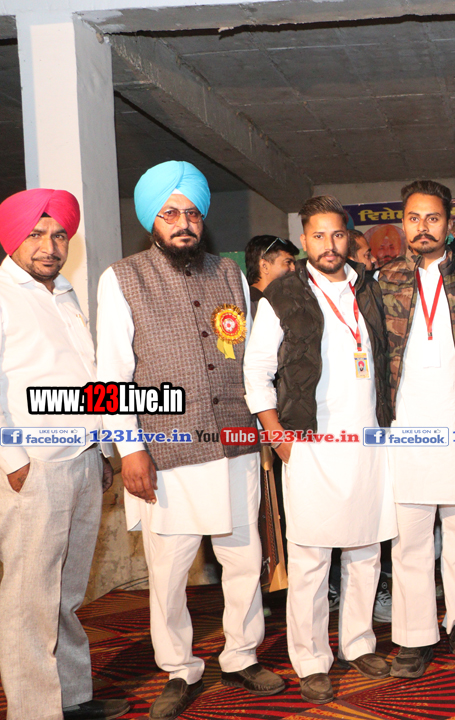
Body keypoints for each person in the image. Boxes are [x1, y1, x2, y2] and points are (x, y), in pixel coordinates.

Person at [97, 160, 284, 720]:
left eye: (192, 214)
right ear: (151, 220)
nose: (183, 223)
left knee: (244, 558)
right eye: (170, 213)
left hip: (235, 442)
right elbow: (110, 374)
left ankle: (241, 654)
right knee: (170, 571)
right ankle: (179, 668)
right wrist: (130, 449)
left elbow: (249, 359)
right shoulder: (122, 278)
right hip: (167, 451)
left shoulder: (229, 274)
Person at [243, 195, 396, 704]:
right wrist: (277, 435)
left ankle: (358, 643)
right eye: (318, 236)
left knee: (366, 549)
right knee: (310, 558)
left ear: (348, 238)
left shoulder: (368, 287)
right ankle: (310, 659)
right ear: (304, 240)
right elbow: (257, 370)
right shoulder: (282, 295)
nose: (329, 245)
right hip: (308, 440)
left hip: (369, 438)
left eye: (337, 235)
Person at [0, 190, 130, 720]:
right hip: (35, 466)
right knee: (29, 599)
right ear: (12, 238)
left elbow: (88, 378)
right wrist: (13, 460)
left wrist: (103, 448)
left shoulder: (66, 294)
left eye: (59, 236)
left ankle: (71, 698)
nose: (49, 246)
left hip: (83, 458)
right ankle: (35, 711)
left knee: (66, 593)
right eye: (36, 234)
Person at [378, 180, 455, 678]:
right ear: (403, 223)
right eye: (414, 218)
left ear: (449, 224)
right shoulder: (382, 281)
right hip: (406, 428)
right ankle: (415, 636)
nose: (423, 228)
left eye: (433, 218)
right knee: (410, 542)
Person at [245, 235, 299, 312]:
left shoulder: (281, 301)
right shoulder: (248, 304)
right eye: (288, 262)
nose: (294, 268)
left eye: (294, 263)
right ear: (264, 266)